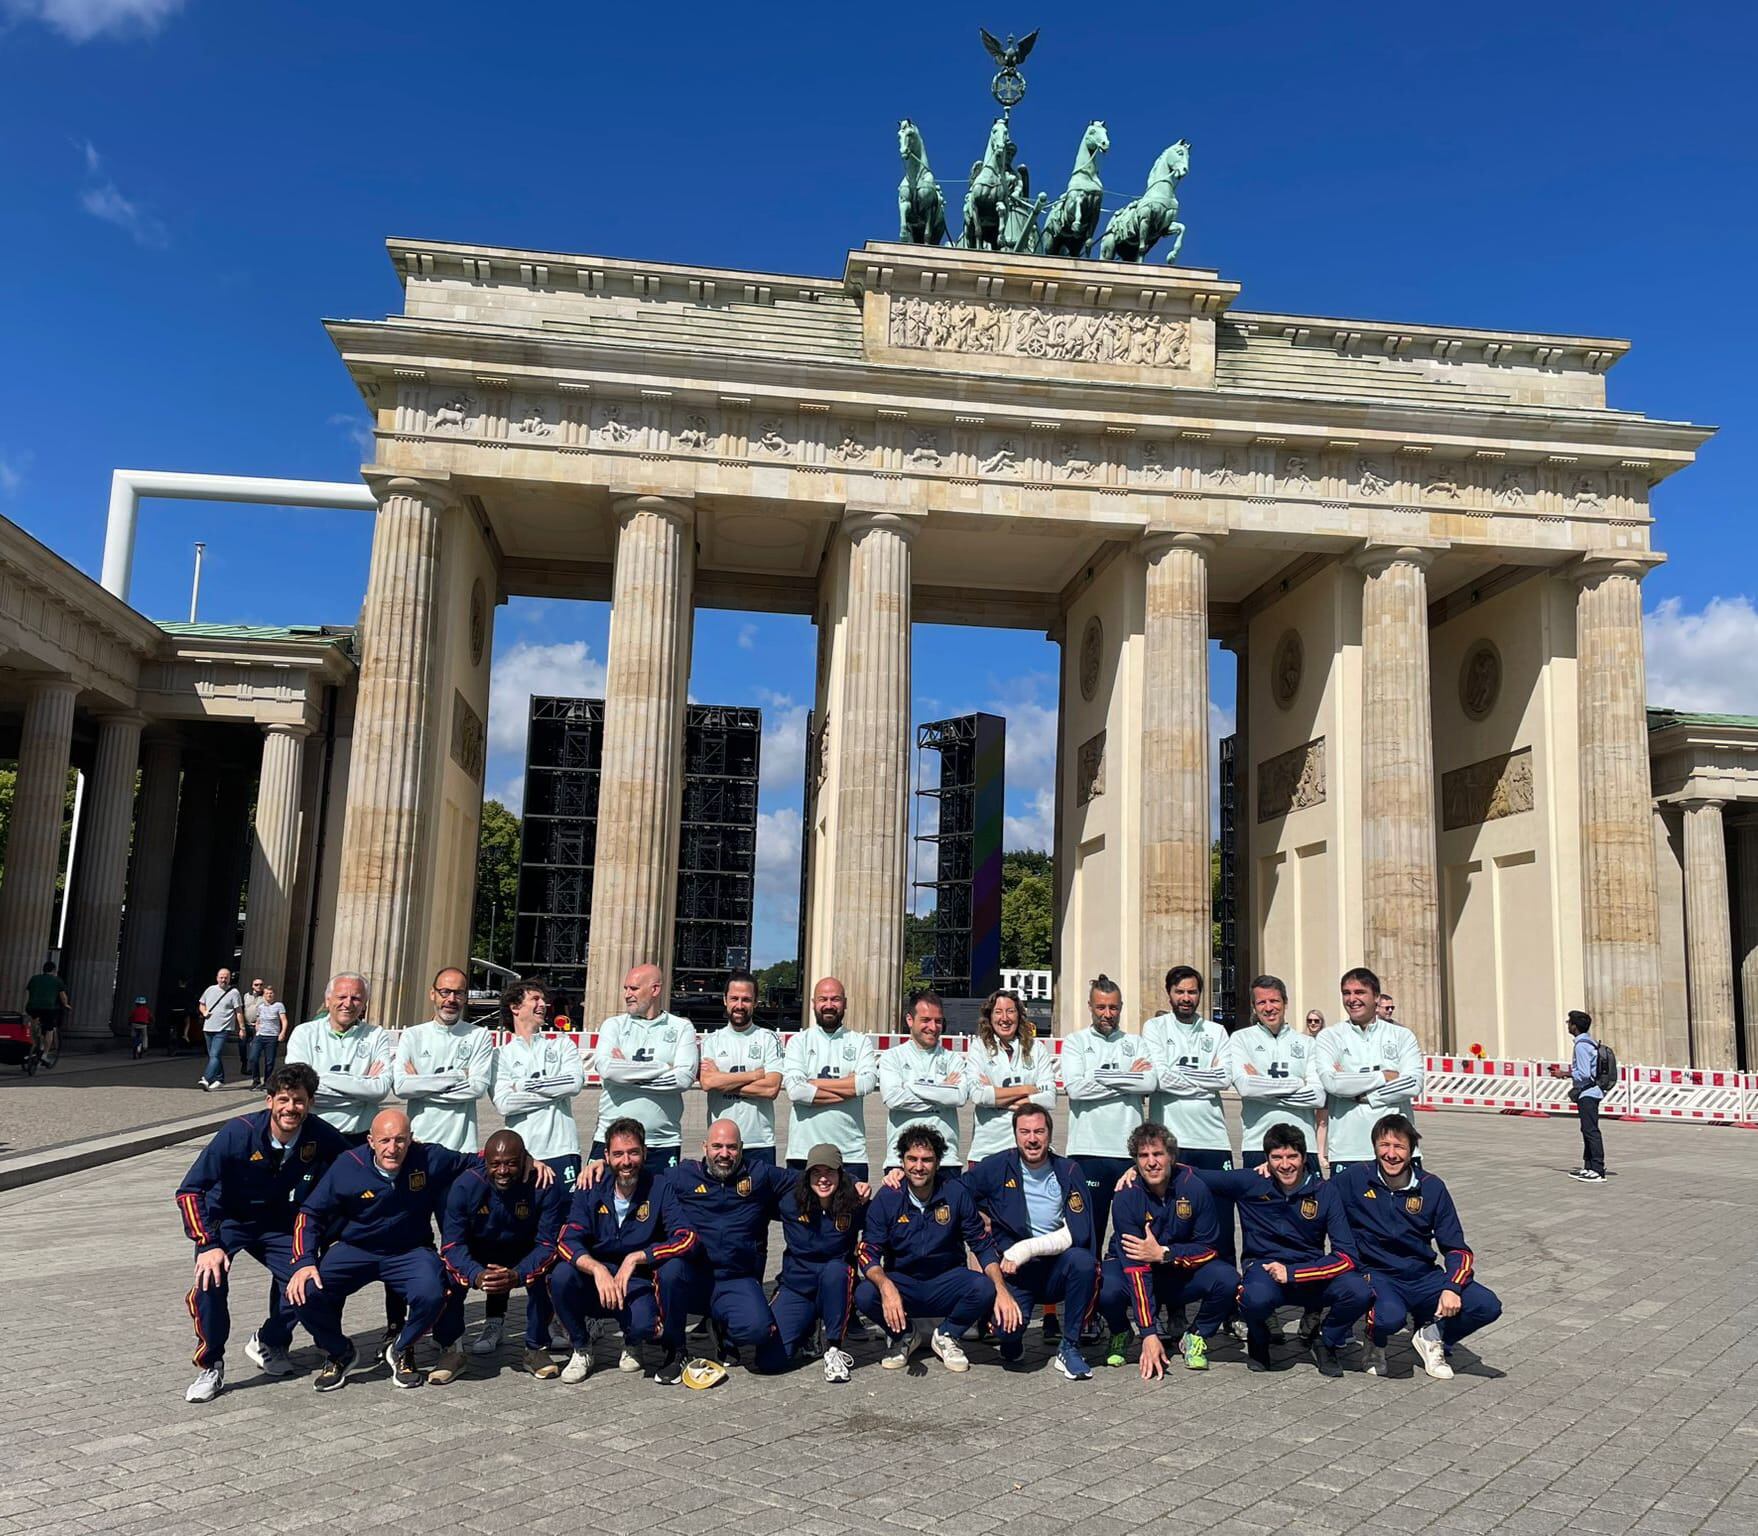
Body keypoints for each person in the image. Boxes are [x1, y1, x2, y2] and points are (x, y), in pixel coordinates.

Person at [175, 1063, 351, 1402]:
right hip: (225, 1220)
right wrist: (207, 1243)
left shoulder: (321, 1135)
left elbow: (356, 1168)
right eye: (283, 1099)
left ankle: (270, 1339)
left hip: (278, 1221)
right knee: (208, 1282)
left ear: (310, 1103)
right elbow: (190, 1190)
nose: (291, 1108)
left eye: (299, 1101)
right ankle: (210, 1366)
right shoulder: (237, 1132)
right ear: (270, 1100)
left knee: (306, 1285)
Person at [288, 1108, 473, 1390]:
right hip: (356, 1248)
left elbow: (477, 1161)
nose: (392, 1148)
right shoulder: (347, 1164)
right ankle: (339, 1352)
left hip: (409, 1251)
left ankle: (401, 1347)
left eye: (400, 1140)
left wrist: (528, 1162)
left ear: (411, 1139)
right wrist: (304, 1261)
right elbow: (310, 1213)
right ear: (370, 1141)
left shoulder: (428, 1157)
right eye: (385, 1141)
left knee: (434, 1292)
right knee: (304, 1293)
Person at [1333, 1114, 1502, 1379]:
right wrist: (1267, 1173)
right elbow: (1314, 1192)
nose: (1391, 1154)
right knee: (1389, 1317)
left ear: (1411, 1150)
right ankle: (1375, 1342)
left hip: (1422, 1275)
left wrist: (1452, 1287)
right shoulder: (1355, 1178)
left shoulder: (1431, 1187)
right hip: (1377, 1274)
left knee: (1486, 1304)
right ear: (1374, 1147)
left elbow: (1457, 1248)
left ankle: (1432, 1335)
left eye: (1399, 1147)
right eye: (1384, 1145)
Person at [1202, 1124, 1371, 1376]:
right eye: (1276, 1158)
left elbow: (1346, 1257)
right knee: (1252, 1297)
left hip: (1308, 1272)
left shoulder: (1325, 1191)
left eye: (1292, 1156)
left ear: (1304, 1157)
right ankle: (1259, 1341)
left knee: (1359, 1291)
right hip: (1264, 1270)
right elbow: (1193, 1175)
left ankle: (1325, 1341)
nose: (1285, 1165)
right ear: (1267, 1159)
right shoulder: (1251, 1181)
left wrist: (1294, 1273)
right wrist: (1137, 1171)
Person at [856, 1125, 1012, 1372]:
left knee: (984, 1286)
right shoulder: (888, 1197)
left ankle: (948, 1335)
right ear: (902, 1162)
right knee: (865, 1293)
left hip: (946, 1282)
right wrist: (886, 1286)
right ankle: (904, 1336)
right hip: (903, 1283)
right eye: (912, 1159)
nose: (919, 1166)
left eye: (927, 1160)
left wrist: (1001, 1288)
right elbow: (868, 1252)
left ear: (938, 1163)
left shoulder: (955, 1193)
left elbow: (981, 1244)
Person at [551, 1117, 694, 1382]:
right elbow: (566, 1240)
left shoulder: (659, 1187)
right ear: (606, 1156)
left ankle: (632, 1340)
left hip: (636, 1281)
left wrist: (638, 1258)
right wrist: (596, 1268)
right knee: (560, 1276)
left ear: (645, 1152)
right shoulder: (590, 1186)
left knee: (646, 1326)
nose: (626, 1162)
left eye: (633, 1153)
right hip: (597, 1280)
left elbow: (686, 1237)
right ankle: (581, 1347)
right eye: (618, 1154)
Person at [961, 1104, 1098, 1381]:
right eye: (1024, 1132)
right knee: (1007, 1334)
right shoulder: (997, 1165)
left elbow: (1079, 1232)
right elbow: (956, 1191)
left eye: (1039, 1131)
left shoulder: (1068, 1170)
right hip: (1014, 1274)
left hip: (1054, 1268)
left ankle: (1069, 1347)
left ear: (1049, 1134)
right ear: (1015, 1135)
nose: (1032, 1139)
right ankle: (1012, 1342)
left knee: (1083, 1261)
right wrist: (979, 1216)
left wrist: (1025, 1249)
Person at [652, 1118, 794, 1382]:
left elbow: (807, 1179)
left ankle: (724, 1328)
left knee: (757, 1332)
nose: (724, 1154)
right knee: (670, 1270)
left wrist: (853, 1182)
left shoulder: (759, 1174)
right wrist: (600, 1166)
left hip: (736, 1278)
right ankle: (675, 1350)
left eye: (731, 1147)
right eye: (717, 1146)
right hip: (695, 1275)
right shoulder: (682, 1175)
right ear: (705, 1147)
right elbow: (640, 1181)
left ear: (741, 1148)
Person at [1097, 1122, 1236, 1378]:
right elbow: (1137, 1270)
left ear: (1171, 1156)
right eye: (1143, 1156)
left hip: (1175, 1268)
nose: (1151, 1162)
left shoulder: (1195, 1188)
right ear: (1135, 1161)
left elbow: (1209, 1248)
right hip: (1133, 1270)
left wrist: (1165, 1253)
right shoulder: (1126, 1195)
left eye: (1158, 1154)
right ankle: (1120, 1331)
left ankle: (1195, 1337)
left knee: (1227, 1278)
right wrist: (1148, 1334)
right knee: (1103, 1286)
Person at [430, 1129, 568, 1384]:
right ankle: (451, 1350)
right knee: (447, 1277)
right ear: (486, 1162)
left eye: (511, 1163)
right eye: (496, 1164)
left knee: (549, 1276)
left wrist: (519, 1275)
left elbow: (548, 1244)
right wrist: (475, 1274)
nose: (503, 1171)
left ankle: (536, 1348)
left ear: (525, 1159)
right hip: (478, 1252)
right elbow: (451, 1246)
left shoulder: (545, 1185)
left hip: (524, 1251)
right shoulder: (465, 1186)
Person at [1059, 974, 1159, 1254]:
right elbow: (1076, 1089)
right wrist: (1127, 1080)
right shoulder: (1075, 1042)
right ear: (1090, 1006)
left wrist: (1100, 1078)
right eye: (1101, 1007)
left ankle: (1125, 1290)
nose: (1107, 1014)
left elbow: (1149, 1083)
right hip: (1088, 1150)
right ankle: (1091, 1293)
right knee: (1089, 1236)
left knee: (1134, 1235)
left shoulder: (1135, 1042)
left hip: (1127, 1152)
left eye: (1113, 1008)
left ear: (1121, 1007)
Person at [589, 963, 700, 1169]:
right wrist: (663, 1067)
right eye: (626, 989)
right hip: (613, 1139)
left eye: (634, 988)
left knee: (661, 1201)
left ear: (655, 990)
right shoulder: (613, 1025)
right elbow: (606, 1068)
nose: (627, 994)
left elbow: (684, 1078)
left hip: (662, 1141)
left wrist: (626, 1074)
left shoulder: (681, 1027)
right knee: (598, 1199)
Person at [1316, 967, 1424, 1175]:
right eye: (1346, 993)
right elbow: (1332, 1083)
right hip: (1348, 1149)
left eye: (1359, 992)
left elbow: (1413, 1083)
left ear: (1376, 997)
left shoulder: (1402, 1036)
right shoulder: (1330, 1037)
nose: (1352, 999)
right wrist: (1383, 1076)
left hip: (1397, 1147)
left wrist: (1366, 1096)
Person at [772, 1144, 865, 1383]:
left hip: (833, 1284)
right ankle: (808, 1330)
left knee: (837, 1271)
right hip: (797, 1286)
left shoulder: (854, 1201)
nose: (823, 1179)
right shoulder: (790, 1200)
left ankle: (834, 1347)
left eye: (830, 1172)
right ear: (807, 1175)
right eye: (816, 1173)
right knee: (770, 1360)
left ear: (841, 1175)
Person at [782, 976, 878, 1180]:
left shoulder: (860, 1042)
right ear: (813, 1004)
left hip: (850, 1153)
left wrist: (814, 1084)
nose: (828, 1005)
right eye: (822, 999)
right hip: (803, 1152)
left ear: (845, 1003)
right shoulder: (798, 1042)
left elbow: (867, 1083)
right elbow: (796, 1091)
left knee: (850, 1212)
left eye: (835, 999)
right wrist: (848, 1090)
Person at [1227, 975, 1323, 1173]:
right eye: (1262, 1002)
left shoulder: (1307, 1044)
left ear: (1285, 1003)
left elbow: (1318, 1096)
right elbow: (1246, 1088)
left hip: (1304, 1145)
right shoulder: (1240, 1039)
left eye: (1274, 1001)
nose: (1269, 1008)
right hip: (1257, 1144)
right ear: (1254, 1007)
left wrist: (1262, 1087)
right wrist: (1298, 1082)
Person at [493, 978, 585, 1185]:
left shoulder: (562, 1046)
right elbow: (505, 1104)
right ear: (515, 1007)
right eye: (535, 999)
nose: (543, 1005)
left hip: (563, 1149)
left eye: (544, 1000)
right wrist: (555, 1091)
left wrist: (522, 1086)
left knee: (565, 1217)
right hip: (524, 1152)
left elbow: (574, 1084)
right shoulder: (500, 1055)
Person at [394, 966, 494, 1153]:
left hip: (462, 1148)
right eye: (445, 992)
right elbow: (401, 1087)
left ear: (466, 997)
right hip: (419, 1142)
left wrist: (419, 1084)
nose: (451, 999)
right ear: (433, 994)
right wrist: (459, 1075)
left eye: (459, 993)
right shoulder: (412, 1035)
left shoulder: (479, 1036)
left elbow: (478, 1088)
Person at [285, 973, 394, 1140]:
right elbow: (299, 1087)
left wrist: (320, 1078)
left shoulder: (376, 1035)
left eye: (356, 998)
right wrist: (363, 1089)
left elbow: (380, 1090)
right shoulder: (304, 1033)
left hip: (359, 1135)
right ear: (328, 1000)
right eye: (342, 996)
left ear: (364, 1004)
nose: (348, 1003)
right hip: (313, 1132)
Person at [698, 969, 784, 1165]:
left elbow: (771, 1088)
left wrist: (723, 1080)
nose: (739, 1005)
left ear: (755, 1002)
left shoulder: (768, 1039)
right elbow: (707, 1082)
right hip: (721, 1145)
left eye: (746, 999)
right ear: (725, 1000)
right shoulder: (713, 1040)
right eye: (734, 998)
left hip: (759, 1142)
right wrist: (754, 1075)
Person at [879, 990, 967, 1172]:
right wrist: (942, 1090)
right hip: (901, 1161)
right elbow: (893, 1099)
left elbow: (958, 1098)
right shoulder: (891, 1057)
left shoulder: (954, 1060)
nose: (933, 1027)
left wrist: (910, 1086)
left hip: (946, 1160)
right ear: (910, 1020)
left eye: (938, 1021)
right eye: (926, 1020)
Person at [964, 989, 1056, 1163]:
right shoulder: (979, 1047)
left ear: (1019, 1015)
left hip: (1029, 1152)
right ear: (989, 1017)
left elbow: (1049, 1099)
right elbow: (978, 1095)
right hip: (986, 1152)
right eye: (998, 1012)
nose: (1004, 1018)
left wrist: (996, 1094)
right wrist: (1027, 1090)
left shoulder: (1037, 1049)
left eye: (1010, 1011)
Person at [1549, 1009, 1608, 1182]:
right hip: (1591, 1091)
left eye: (1569, 1022)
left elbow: (1583, 1073)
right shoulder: (1589, 1043)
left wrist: (1564, 1074)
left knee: (1591, 1131)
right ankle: (1589, 1166)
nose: (1568, 1025)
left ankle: (1597, 1169)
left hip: (1588, 1092)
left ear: (1575, 1026)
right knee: (1587, 1129)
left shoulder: (1581, 1046)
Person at [197, 967, 244, 1090]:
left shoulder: (234, 993)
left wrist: (242, 1028)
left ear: (230, 979)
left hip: (223, 1028)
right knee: (214, 1056)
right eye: (221, 977)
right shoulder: (210, 990)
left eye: (226, 978)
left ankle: (206, 1078)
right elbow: (202, 1004)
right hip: (208, 1027)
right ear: (217, 978)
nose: (223, 980)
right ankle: (220, 1078)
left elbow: (238, 1011)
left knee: (215, 1054)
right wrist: (204, 1012)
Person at [24, 959, 67, 1065]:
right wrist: (66, 1005)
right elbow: (63, 997)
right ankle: (45, 1055)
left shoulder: (34, 978)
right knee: (49, 1030)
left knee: (34, 1024)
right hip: (48, 1008)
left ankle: (35, 1044)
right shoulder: (57, 980)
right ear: (54, 970)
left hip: (32, 1007)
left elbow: (31, 992)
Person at [1302, 1008, 1330, 1168]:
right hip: (1307, 1086)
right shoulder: (1301, 1040)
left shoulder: (1326, 1040)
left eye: (1316, 1021)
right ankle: (1307, 1152)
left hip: (1323, 1084)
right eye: (1310, 1021)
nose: (1313, 1024)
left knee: (1322, 1121)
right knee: (1307, 1119)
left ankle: (1320, 1154)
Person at [248, 984, 288, 1090]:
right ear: (264, 995)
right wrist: (257, 1029)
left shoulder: (279, 1005)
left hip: (272, 1036)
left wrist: (282, 1033)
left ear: (274, 995)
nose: (269, 995)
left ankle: (267, 1081)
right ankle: (256, 1080)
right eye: (267, 993)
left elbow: (284, 1020)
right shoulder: (260, 1007)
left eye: (271, 993)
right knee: (253, 1058)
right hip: (260, 1035)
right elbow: (258, 1020)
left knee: (269, 1061)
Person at [239, 978, 265, 1078]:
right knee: (242, 1046)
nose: (259, 986)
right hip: (246, 1025)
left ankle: (251, 1067)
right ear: (252, 986)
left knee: (254, 1048)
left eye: (261, 984)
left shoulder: (265, 997)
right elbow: (240, 1009)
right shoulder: (246, 995)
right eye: (256, 984)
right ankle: (244, 1063)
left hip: (258, 1026)